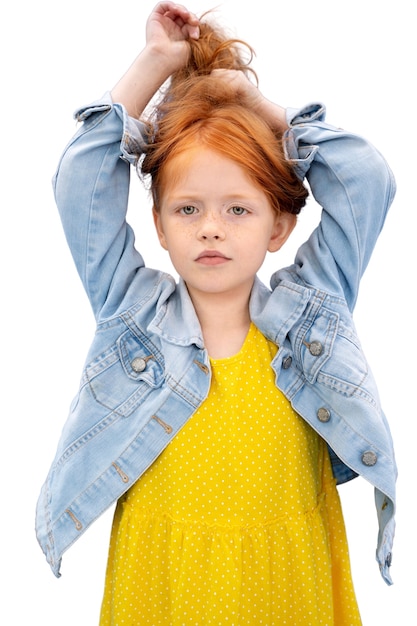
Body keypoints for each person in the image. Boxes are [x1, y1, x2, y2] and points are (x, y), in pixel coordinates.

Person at [36, 2, 397, 623]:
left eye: (238, 209)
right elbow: (81, 181)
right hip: (167, 577)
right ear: (158, 223)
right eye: (187, 209)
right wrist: (154, 65)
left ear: (280, 224)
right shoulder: (133, 313)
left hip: (286, 573)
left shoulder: (314, 311)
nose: (210, 230)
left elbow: (365, 178)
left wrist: (257, 107)